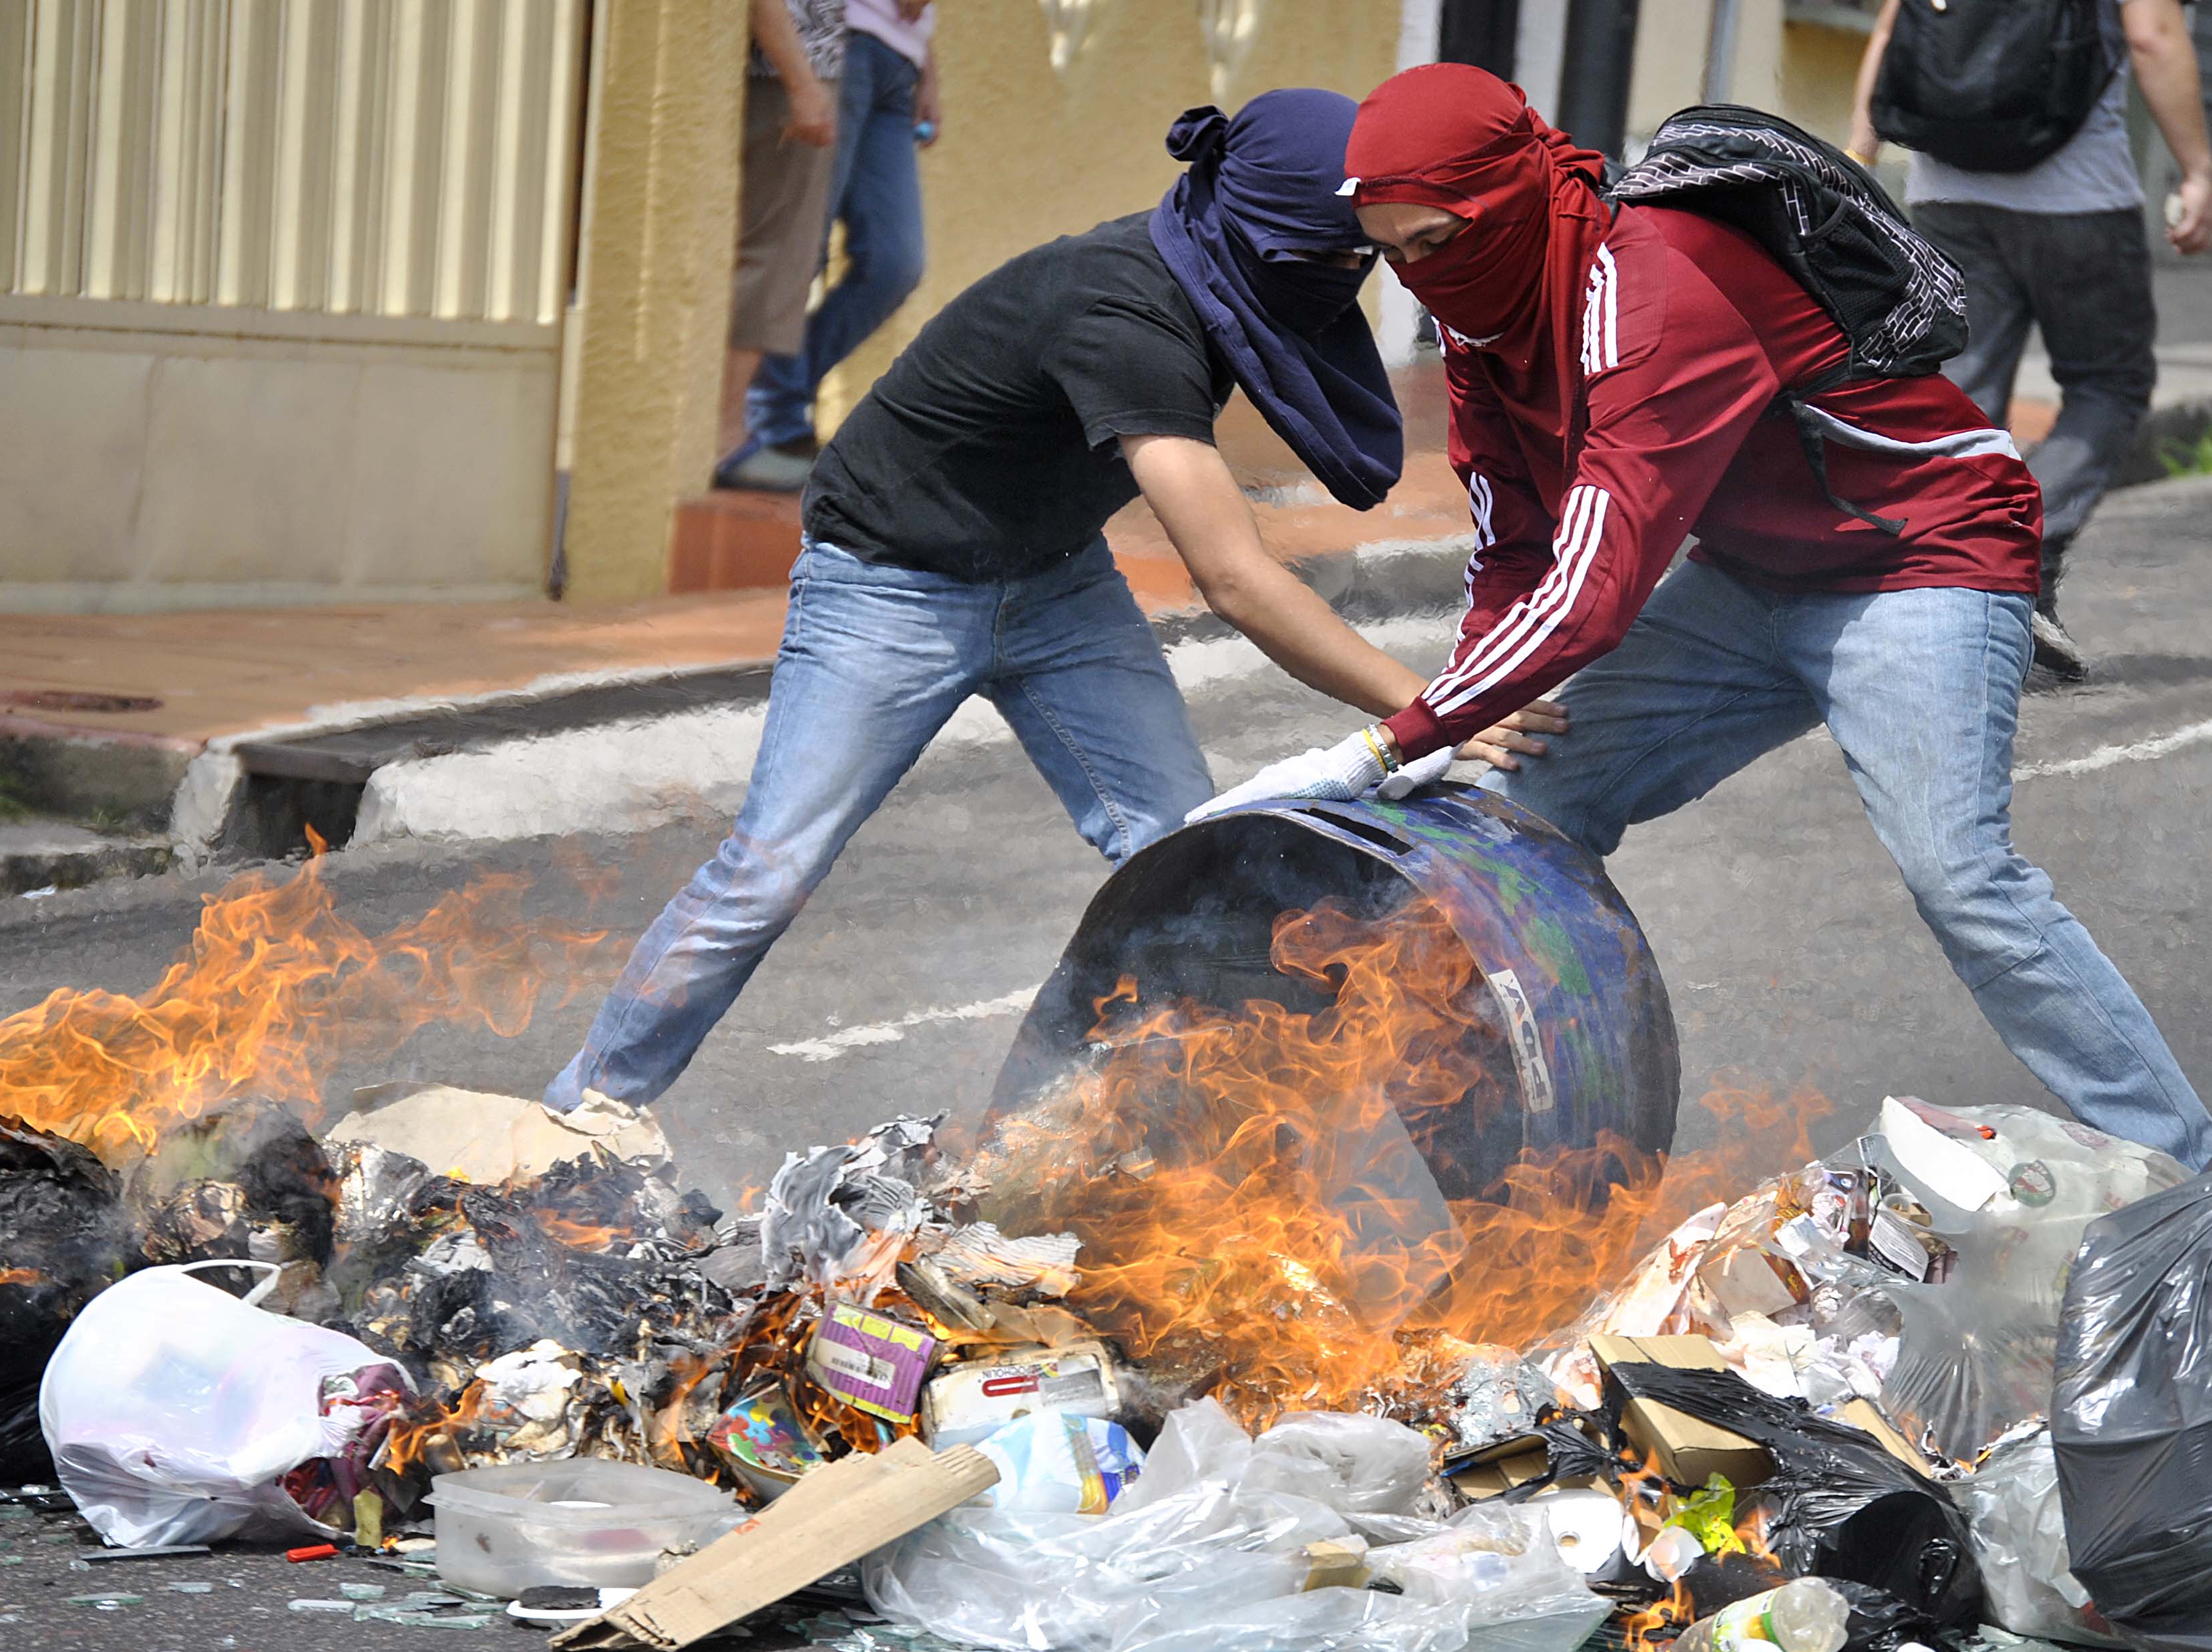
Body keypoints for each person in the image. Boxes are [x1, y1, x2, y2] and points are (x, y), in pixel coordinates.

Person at [1199, 65, 2212, 1168]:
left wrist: (1382, 744)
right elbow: (1513, 550)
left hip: (1922, 558)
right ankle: (1530, 1185)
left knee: (1960, 876)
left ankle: (2198, 1173)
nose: (1420, 276)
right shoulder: (1484, 321)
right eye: (1392, 254)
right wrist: (1472, 715)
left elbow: (1594, 590)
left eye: (1437, 241)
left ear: (1508, 195)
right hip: (1751, 579)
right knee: (1510, 803)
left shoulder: (1658, 284)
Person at [545, 89, 1564, 1112]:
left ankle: (1093, 1158)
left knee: (1183, 856)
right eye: (1334, 256)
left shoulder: (1222, 276)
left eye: (1369, 256)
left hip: (1055, 580)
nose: (1352, 279)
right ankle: (580, 1116)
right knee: (770, 872)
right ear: (1264, 233)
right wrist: (1433, 714)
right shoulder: (1123, 310)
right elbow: (1233, 579)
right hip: (888, 584)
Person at [1849, 0, 2212, 678]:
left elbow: (1889, 28)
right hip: (2077, 200)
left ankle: (1955, 595)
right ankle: (2025, 558)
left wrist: (1857, 154)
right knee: (2108, 384)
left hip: (1946, 190)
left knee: (1959, 406)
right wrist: (2195, 171)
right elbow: (2152, 36)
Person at [720, 0, 943, 492]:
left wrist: (926, 69)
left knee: (896, 263)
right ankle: (768, 422)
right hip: (843, 43)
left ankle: (776, 402)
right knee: (796, 249)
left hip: (897, 59)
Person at [716, 0, 847, 493]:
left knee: (776, 254)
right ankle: (727, 438)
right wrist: (802, 84)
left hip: (797, 68)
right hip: (789, 70)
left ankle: (732, 430)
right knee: (774, 254)